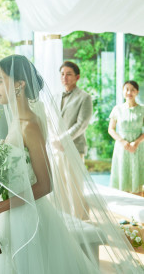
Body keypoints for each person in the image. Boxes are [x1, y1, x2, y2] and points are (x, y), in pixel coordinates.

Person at [0, 55, 143, 273]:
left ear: (19, 84)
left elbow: (45, 184)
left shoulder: (30, 124)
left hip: (25, 220)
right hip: (5, 216)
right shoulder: (15, 120)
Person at [53, 61, 93, 219]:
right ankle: (66, 220)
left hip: (74, 147)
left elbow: (82, 124)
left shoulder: (85, 97)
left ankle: (82, 221)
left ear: (77, 77)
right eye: (62, 74)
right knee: (60, 188)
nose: (65, 77)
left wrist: (63, 140)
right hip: (56, 149)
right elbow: (50, 121)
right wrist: (53, 140)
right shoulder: (55, 96)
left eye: (69, 74)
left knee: (75, 187)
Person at [108, 80, 144, 195]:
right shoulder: (117, 109)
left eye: (132, 89)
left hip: (138, 147)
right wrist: (122, 141)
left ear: (137, 92)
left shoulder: (142, 109)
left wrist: (136, 143)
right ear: (123, 91)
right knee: (122, 176)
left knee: (138, 177)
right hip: (122, 147)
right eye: (127, 89)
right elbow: (111, 129)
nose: (129, 92)